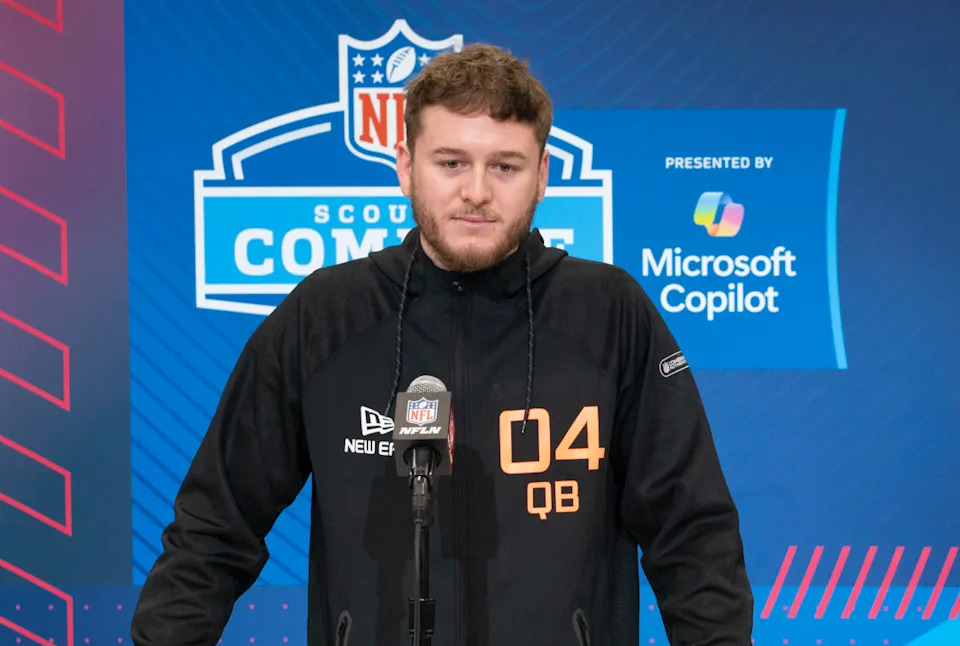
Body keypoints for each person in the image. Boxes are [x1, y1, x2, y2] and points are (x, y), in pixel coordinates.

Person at [131, 44, 753, 646]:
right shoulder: (324, 317)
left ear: (542, 175)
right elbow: (214, 529)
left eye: (505, 166)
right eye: (451, 162)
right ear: (406, 167)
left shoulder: (610, 315)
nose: (477, 191)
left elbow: (692, 535)